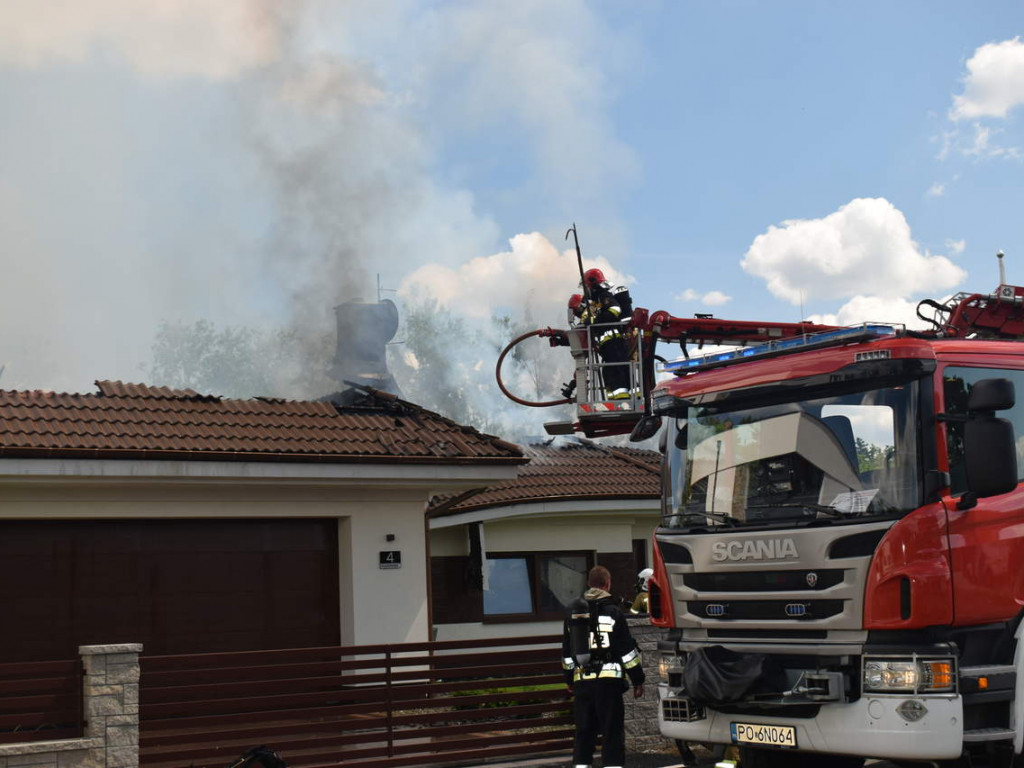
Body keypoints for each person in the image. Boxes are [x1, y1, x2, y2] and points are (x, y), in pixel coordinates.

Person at [562, 565, 645, 768]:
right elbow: (626, 652)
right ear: (607, 584)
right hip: (609, 685)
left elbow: (566, 652)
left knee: (583, 734)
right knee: (612, 733)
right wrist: (638, 680)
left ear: (589, 584)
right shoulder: (614, 613)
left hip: (582, 684)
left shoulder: (573, 615)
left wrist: (569, 680)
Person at [575, 268, 633, 399]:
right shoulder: (595, 301)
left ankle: (622, 399)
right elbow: (587, 319)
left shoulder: (603, 295)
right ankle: (615, 399)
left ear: (592, 284)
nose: (585, 291)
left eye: (586, 287)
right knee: (609, 371)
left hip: (614, 341)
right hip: (607, 345)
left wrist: (595, 320)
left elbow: (615, 309)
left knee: (616, 370)